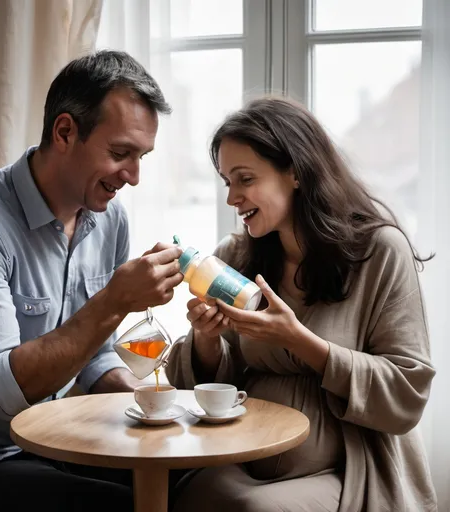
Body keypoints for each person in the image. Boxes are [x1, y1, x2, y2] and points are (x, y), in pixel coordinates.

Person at [0, 50, 184, 510]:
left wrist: (148, 400)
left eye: (141, 157)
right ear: (65, 132)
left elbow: (93, 358)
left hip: (59, 438)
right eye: (120, 154)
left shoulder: (110, 221)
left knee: (190, 479)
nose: (133, 176)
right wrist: (114, 300)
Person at [166, 96, 438, 512]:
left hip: (349, 468)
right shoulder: (235, 257)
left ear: (294, 172)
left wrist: (301, 342)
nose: (231, 198)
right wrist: (206, 339)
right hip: (240, 457)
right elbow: (204, 383)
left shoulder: (379, 252)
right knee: (179, 493)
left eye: (245, 179)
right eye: (227, 182)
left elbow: (408, 387)